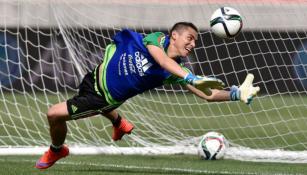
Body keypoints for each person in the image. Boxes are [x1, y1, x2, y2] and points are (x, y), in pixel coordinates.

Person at [35, 22, 259, 169]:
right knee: (84, 100)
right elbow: (161, 60)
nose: (192, 44)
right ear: (173, 35)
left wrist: (235, 93)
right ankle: (119, 122)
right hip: (93, 76)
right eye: (189, 38)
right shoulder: (156, 39)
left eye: (195, 42)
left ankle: (57, 150)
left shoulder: (175, 72)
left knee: (54, 115)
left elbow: (207, 95)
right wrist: (191, 77)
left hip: (100, 98)